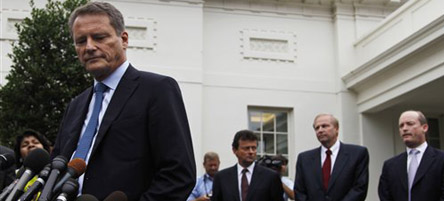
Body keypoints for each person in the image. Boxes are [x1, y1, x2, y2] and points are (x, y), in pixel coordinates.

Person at [51, 2, 196, 201]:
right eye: (81, 41)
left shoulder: (157, 89)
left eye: (100, 37)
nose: (90, 47)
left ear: (124, 39)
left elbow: (178, 175)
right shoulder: (75, 105)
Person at [378, 110, 444, 201]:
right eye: (401, 126)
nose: (404, 128)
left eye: (410, 124)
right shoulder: (390, 165)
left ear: (425, 128)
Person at [294, 114, 369, 201]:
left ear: (336, 129)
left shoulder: (357, 154)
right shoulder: (304, 159)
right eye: (317, 128)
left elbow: (359, 188)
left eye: (324, 126)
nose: (320, 130)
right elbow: (299, 192)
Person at [212, 130, 284, 201]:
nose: (251, 152)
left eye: (254, 148)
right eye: (246, 148)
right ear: (234, 150)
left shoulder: (270, 177)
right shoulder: (221, 177)